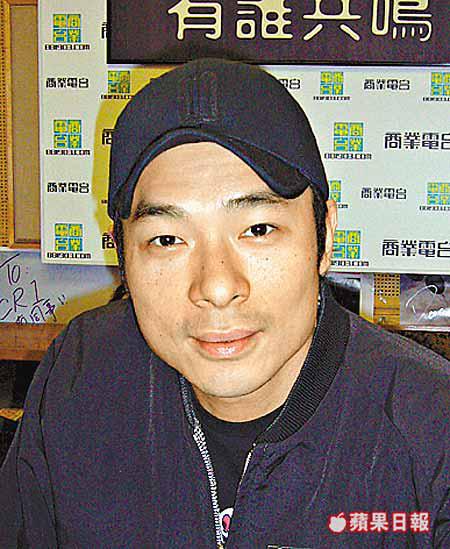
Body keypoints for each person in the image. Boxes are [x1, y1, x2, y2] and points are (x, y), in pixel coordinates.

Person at [0, 58, 448, 548]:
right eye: (167, 239)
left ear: (324, 237)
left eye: (258, 229)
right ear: (122, 255)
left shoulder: (431, 427)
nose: (216, 287)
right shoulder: (82, 372)